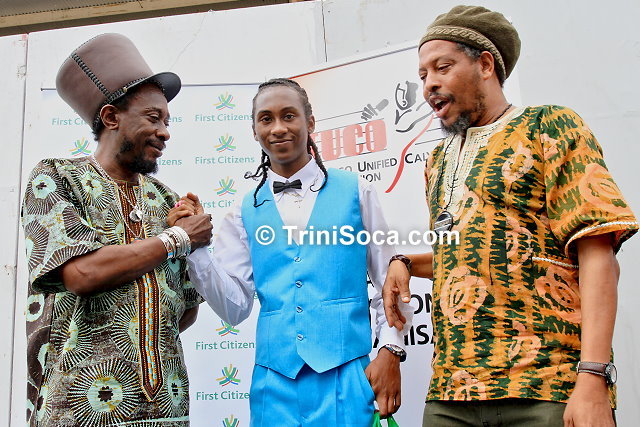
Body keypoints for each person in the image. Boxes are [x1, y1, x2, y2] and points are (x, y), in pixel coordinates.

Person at [381, 5, 638, 427]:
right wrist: (405, 261)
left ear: (485, 65)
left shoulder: (548, 125)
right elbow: (470, 253)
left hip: (545, 386)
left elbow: (598, 254)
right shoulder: (437, 161)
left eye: (442, 67)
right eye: (423, 74)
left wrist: (593, 377)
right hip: (451, 392)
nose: (429, 84)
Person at [172, 78, 413, 426]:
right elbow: (234, 308)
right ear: (254, 131)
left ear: (310, 122)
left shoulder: (356, 191)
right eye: (266, 119)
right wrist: (196, 250)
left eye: (289, 116)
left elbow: (389, 283)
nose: (278, 128)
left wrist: (390, 349)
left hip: (346, 376)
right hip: (273, 385)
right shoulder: (243, 211)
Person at [21, 33, 212, 426]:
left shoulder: (166, 199)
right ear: (111, 118)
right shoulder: (56, 178)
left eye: (167, 121)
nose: (165, 132)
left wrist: (196, 246)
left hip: (165, 412)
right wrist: (178, 239)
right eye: (153, 118)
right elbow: (82, 273)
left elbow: (185, 309)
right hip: (76, 411)